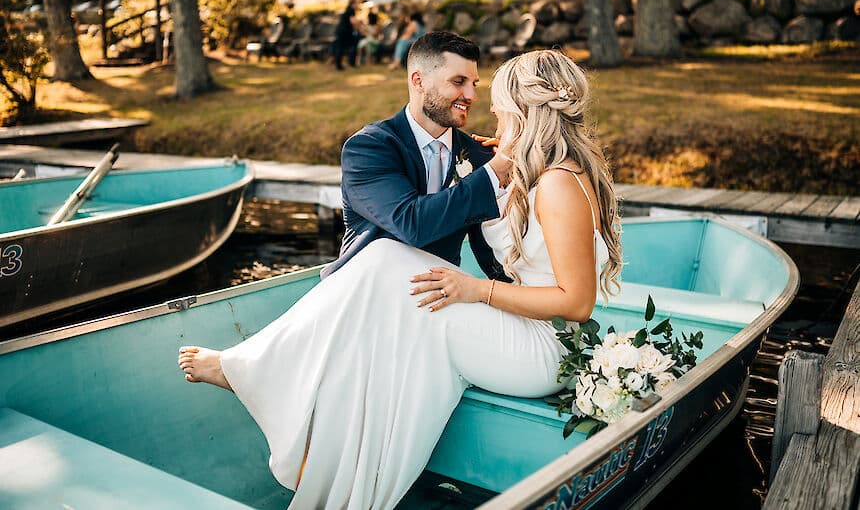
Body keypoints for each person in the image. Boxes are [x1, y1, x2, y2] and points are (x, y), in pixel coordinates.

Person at [178, 47, 622, 509]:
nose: (488, 110)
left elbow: (577, 304)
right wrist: (506, 173)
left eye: (499, 106)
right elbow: (425, 221)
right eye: (463, 85)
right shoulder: (535, 173)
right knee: (395, 295)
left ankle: (260, 376)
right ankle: (327, 461)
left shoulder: (557, 183)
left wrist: (479, 290)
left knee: (389, 263)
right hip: (523, 329)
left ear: (524, 110)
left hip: (543, 350)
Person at [332, 0, 360, 70]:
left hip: (341, 32)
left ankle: (339, 65)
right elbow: (353, 21)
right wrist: (359, 23)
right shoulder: (351, 10)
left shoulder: (347, 10)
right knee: (352, 45)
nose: (357, 5)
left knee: (341, 48)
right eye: (356, 4)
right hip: (345, 32)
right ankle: (350, 63)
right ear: (353, 4)